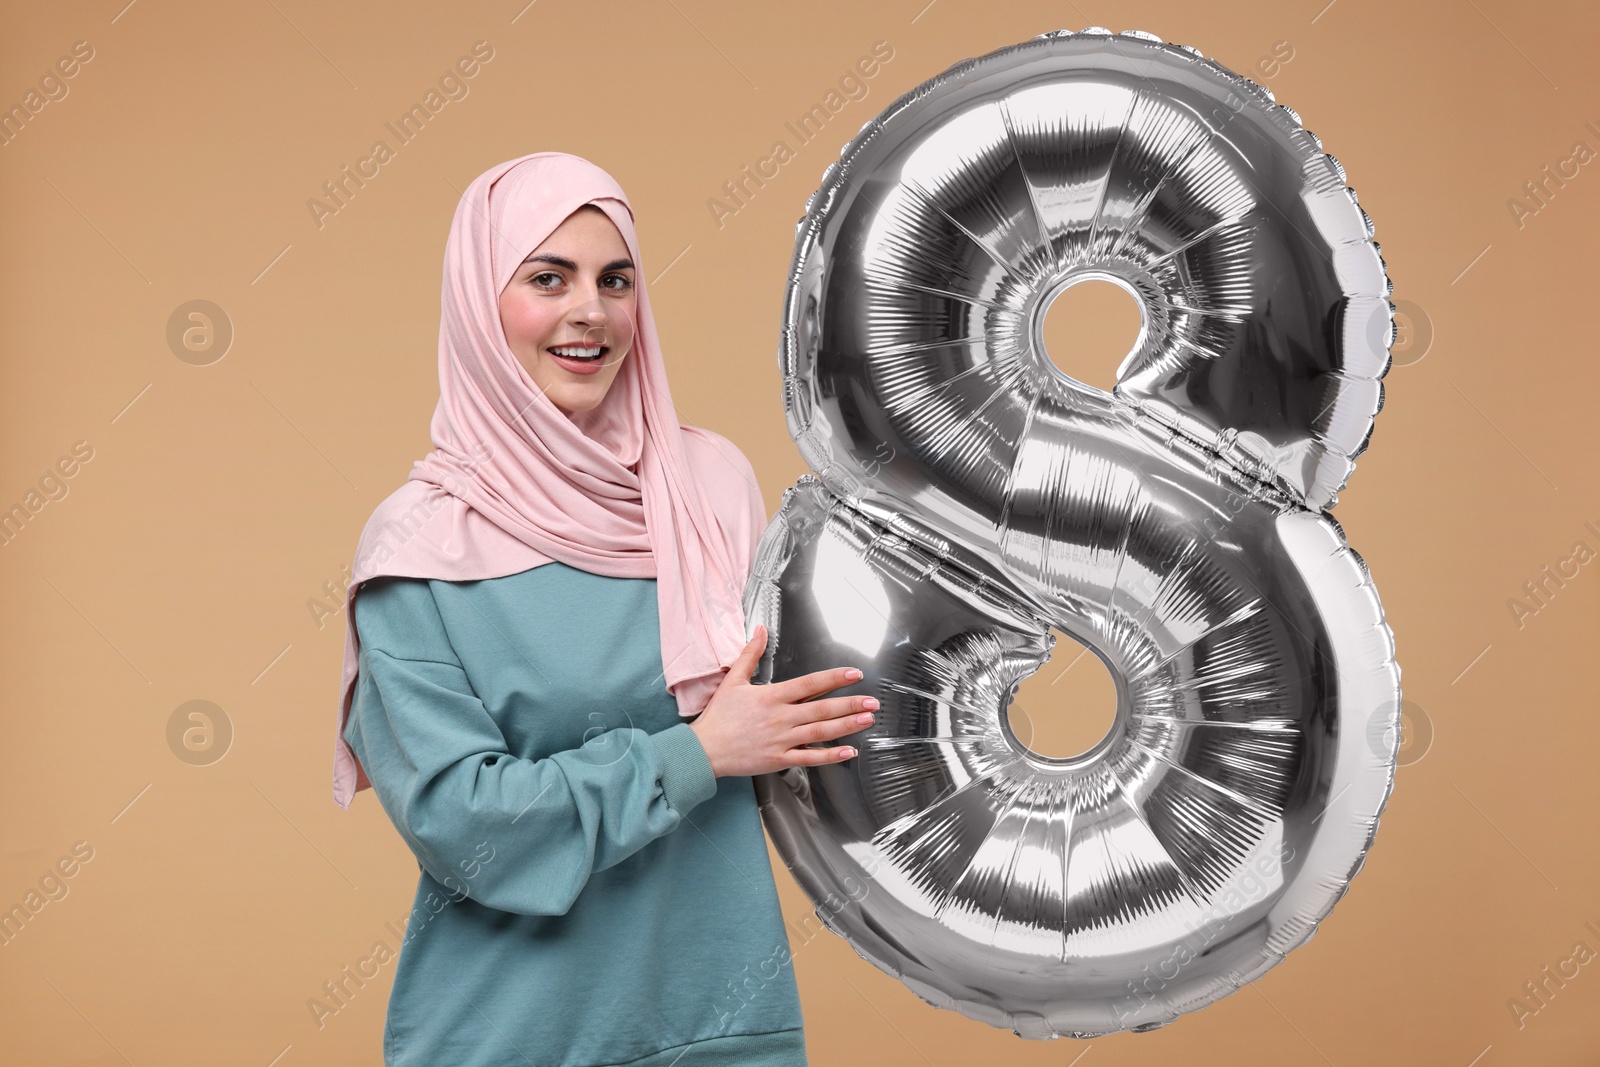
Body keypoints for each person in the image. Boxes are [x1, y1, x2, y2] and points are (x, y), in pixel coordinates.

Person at [329, 152, 878, 1066]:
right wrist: (697, 752)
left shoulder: (709, 489)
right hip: (512, 1038)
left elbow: (813, 723)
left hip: (721, 1027)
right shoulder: (417, 550)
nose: (591, 310)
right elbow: (465, 827)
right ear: (477, 304)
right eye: (548, 278)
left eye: (615, 280)